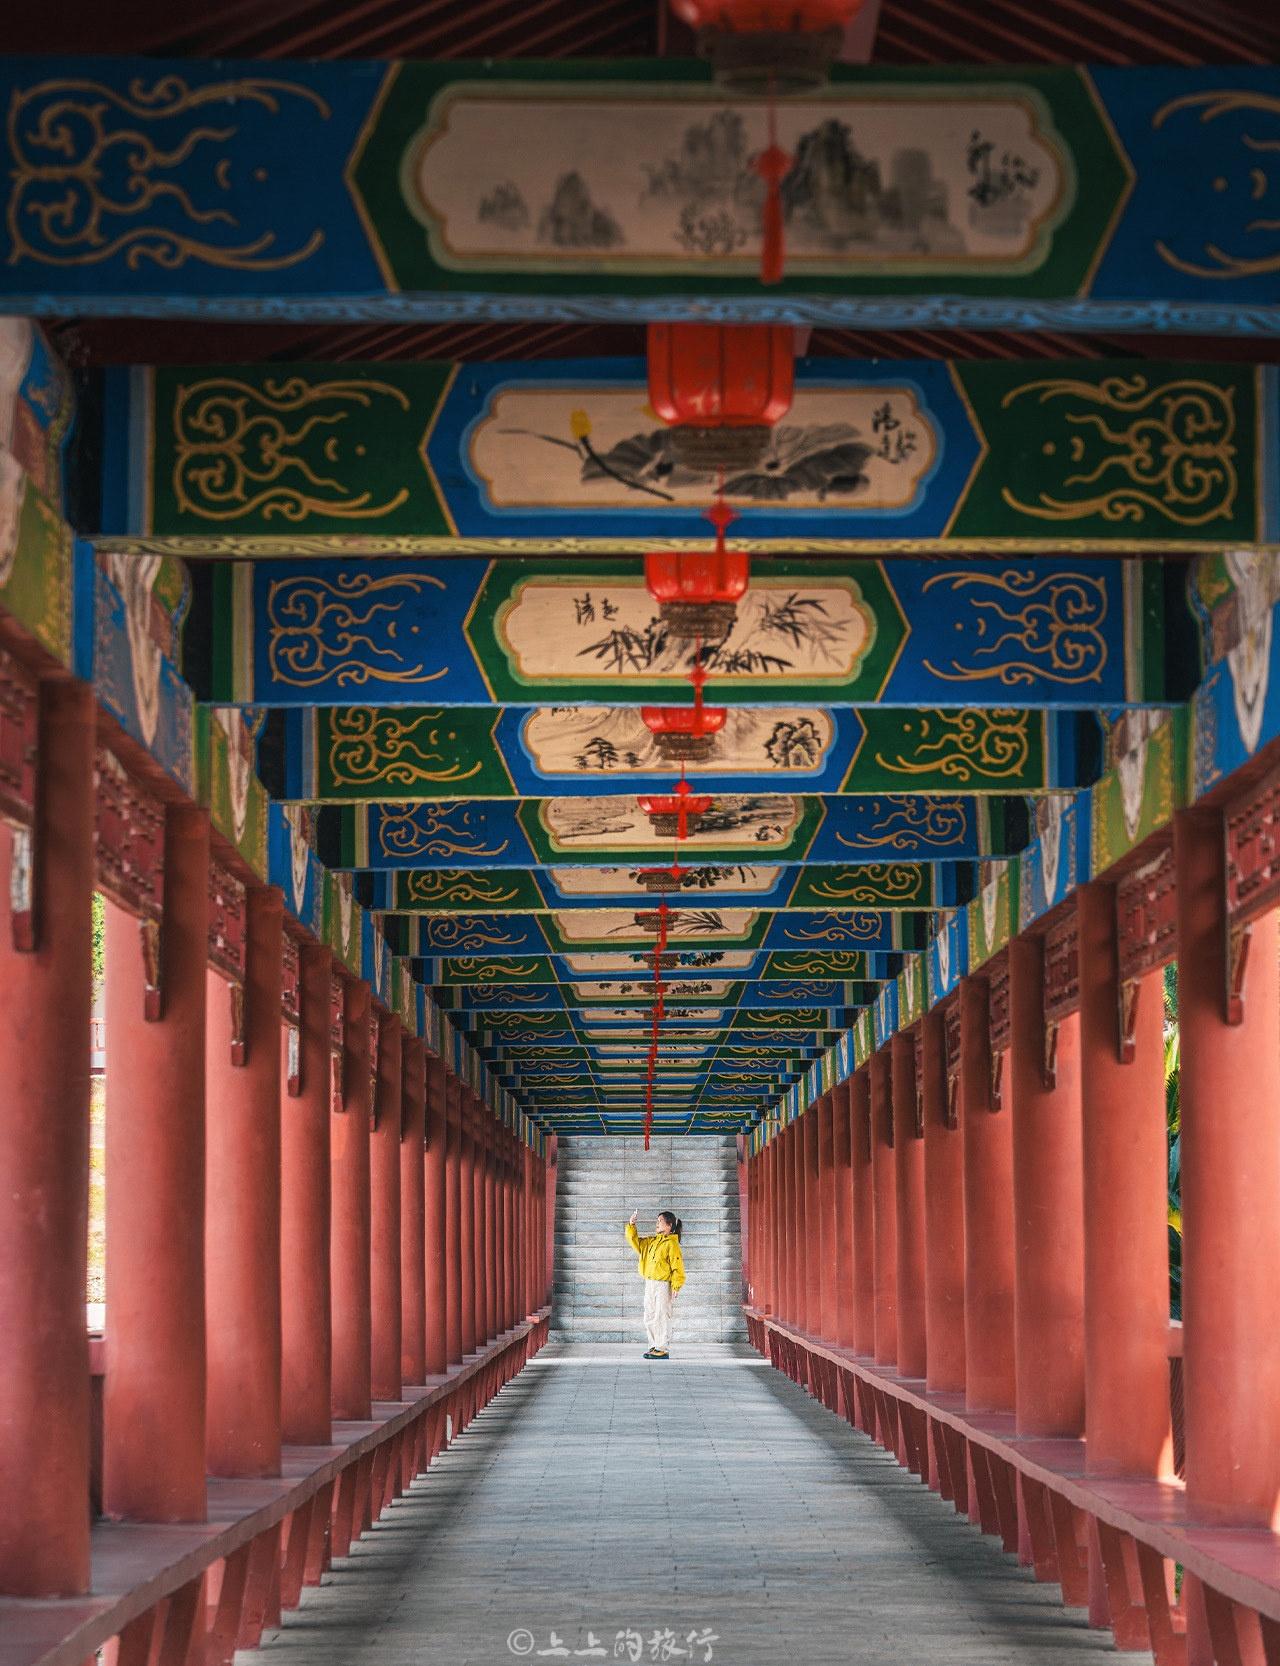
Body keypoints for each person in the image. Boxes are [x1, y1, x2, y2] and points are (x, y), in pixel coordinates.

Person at [625, 1208, 686, 1360]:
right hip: (650, 1283)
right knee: (650, 1315)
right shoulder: (652, 1242)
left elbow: (677, 1266)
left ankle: (662, 1348)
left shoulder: (672, 1244)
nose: (657, 1224)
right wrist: (632, 1225)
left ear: (669, 1225)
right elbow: (635, 1242)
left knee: (661, 1315)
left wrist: (676, 1286)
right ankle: (653, 1345)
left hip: (663, 1285)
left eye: (660, 1221)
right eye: (657, 1221)